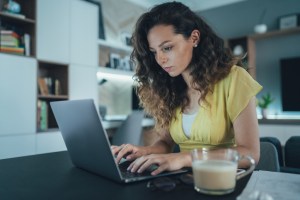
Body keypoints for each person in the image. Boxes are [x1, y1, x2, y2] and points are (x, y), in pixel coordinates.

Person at [111, 1, 262, 176]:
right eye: (154, 52)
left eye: (167, 48)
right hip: (185, 181)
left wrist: (184, 158)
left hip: (223, 181)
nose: (160, 60)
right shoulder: (171, 88)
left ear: (194, 38)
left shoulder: (234, 79)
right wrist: (144, 151)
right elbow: (165, 143)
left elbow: (250, 153)